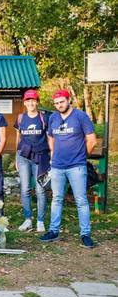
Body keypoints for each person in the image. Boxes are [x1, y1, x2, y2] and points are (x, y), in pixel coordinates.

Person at [41, 89, 97, 248]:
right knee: (57, 199)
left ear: (68, 100)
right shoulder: (53, 118)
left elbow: (92, 141)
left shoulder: (81, 116)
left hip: (77, 166)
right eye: (56, 103)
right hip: (58, 166)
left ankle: (85, 234)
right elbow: (50, 137)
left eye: (62, 102)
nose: (59, 105)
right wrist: (53, 154)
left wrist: (82, 157)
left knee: (81, 200)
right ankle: (53, 231)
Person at [14, 89, 50, 233]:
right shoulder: (21, 118)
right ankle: (28, 219)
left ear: (37, 102)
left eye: (33, 100)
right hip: (23, 157)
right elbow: (18, 137)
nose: (31, 103)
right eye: (28, 100)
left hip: (40, 157)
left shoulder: (43, 118)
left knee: (40, 189)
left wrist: (51, 157)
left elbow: (49, 138)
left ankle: (40, 221)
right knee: (25, 189)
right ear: (25, 102)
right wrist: (17, 157)